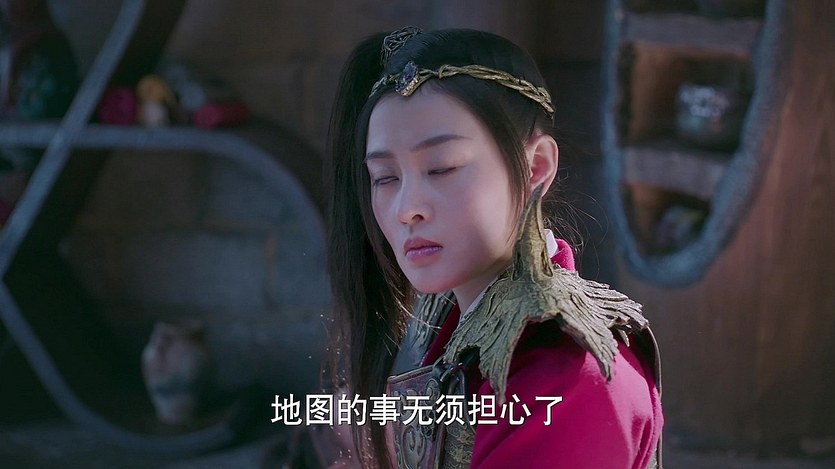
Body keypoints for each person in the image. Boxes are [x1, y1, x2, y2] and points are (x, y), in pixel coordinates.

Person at [324, 26, 663, 469]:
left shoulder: (568, 376)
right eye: (385, 178)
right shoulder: (455, 324)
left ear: (536, 166)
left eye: (442, 168)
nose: (407, 209)